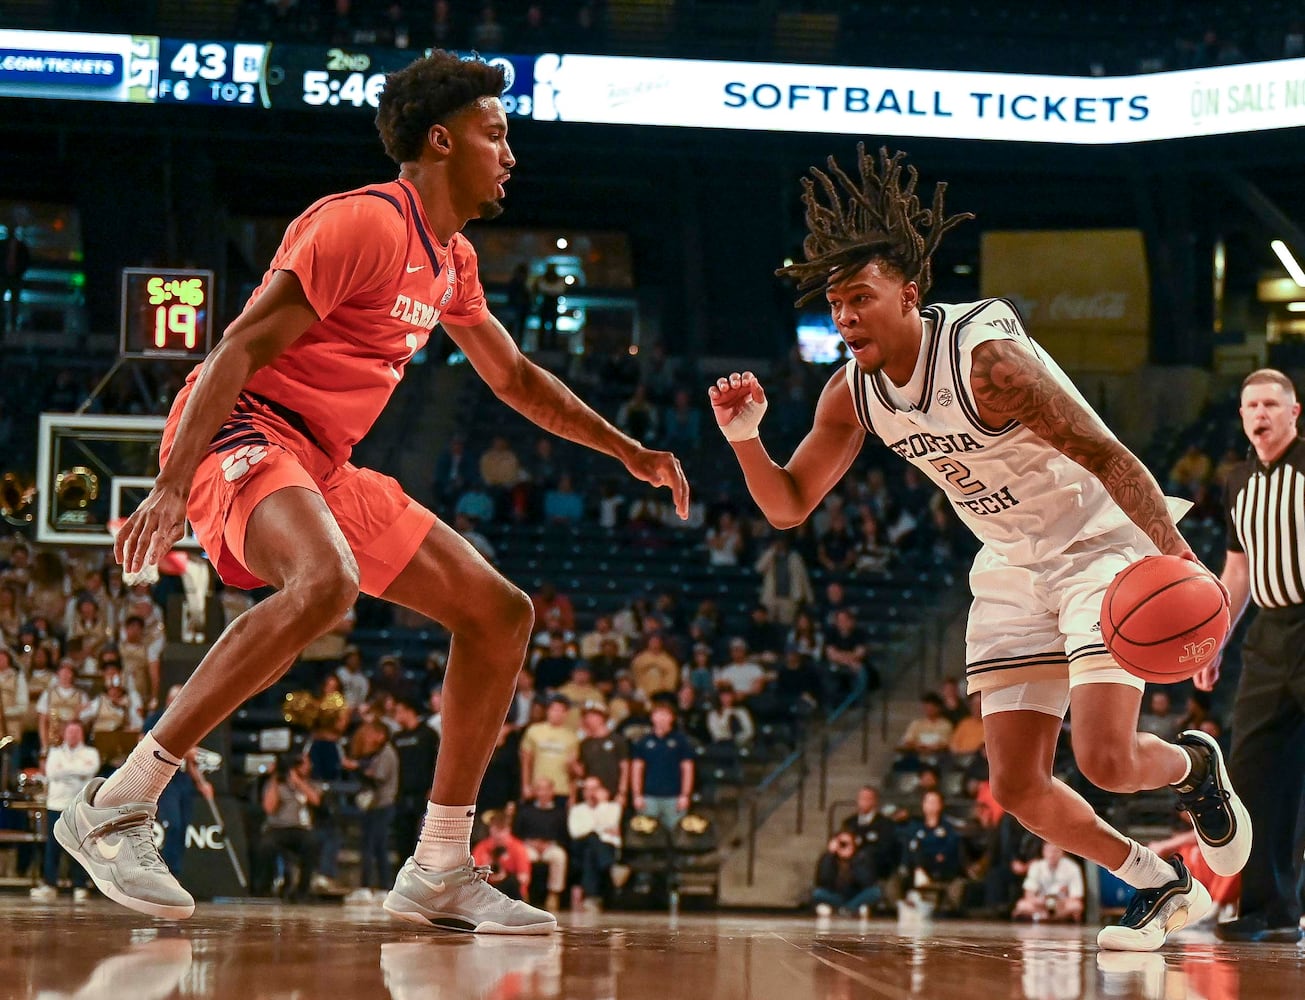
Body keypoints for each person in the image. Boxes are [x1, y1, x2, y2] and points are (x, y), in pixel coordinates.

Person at [59, 50, 688, 934]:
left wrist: (628, 449)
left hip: (322, 460)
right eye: (494, 134)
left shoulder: (452, 258)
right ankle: (119, 804)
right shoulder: (362, 223)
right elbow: (235, 349)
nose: (510, 154)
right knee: (327, 581)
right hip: (241, 425)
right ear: (441, 140)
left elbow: (513, 377)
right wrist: (169, 487)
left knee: (499, 614)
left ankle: (438, 864)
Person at [707, 145, 1248, 951]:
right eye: (835, 303)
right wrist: (745, 439)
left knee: (1102, 758)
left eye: (862, 297)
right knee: (1016, 786)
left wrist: (1180, 558)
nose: (845, 316)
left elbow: (1107, 454)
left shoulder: (986, 361)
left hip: (1099, 547)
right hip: (1008, 564)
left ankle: (1192, 770)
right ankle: (1156, 881)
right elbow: (786, 506)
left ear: (910, 295)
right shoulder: (849, 390)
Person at [1196, 368, 1305, 943]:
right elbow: (1236, 571)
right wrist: (1216, 638)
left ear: (1294, 412)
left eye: (1270, 404)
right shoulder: (1238, 481)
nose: (1259, 413)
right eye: (1250, 405)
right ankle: (1273, 911)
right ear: (1240, 416)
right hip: (1268, 634)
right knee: (1253, 773)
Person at [32, 720, 99, 902]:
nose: (73, 735)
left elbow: (91, 770)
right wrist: (78, 772)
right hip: (56, 805)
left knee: (78, 847)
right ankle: (50, 885)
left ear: (82, 734)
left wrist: (66, 771)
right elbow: (52, 773)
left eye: (76, 732)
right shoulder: (54, 753)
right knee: (52, 848)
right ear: (64, 734)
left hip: (77, 807)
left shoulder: (90, 753)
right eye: (70, 732)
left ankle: (79, 885)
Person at [1012, 841, 1085, 923]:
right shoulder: (1036, 866)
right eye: (1049, 851)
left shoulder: (1072, 867)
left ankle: (1043, 918)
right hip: (1041, 905)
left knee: (1076, 906)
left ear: (1062, 852)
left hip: (1062, 905)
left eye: (1055, 851)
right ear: (1043, 851)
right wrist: (1039, 902)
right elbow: (1029, 894)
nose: (1052, 854)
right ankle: (1051, 918)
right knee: (1022, 905)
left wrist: (1061, 902)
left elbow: (1076, 896)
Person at [812, 830, 880, 918]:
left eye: (847, 843)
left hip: (856, 895)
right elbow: (823, 880)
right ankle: (851, 910)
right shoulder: (829, 858)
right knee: (818, 893)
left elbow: (866, 881)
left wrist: (854, 862)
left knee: (875, 892)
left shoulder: (862, 857)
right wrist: (829, 854)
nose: (844, 847)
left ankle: (845, 910)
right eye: (841, 843)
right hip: (837, 895)